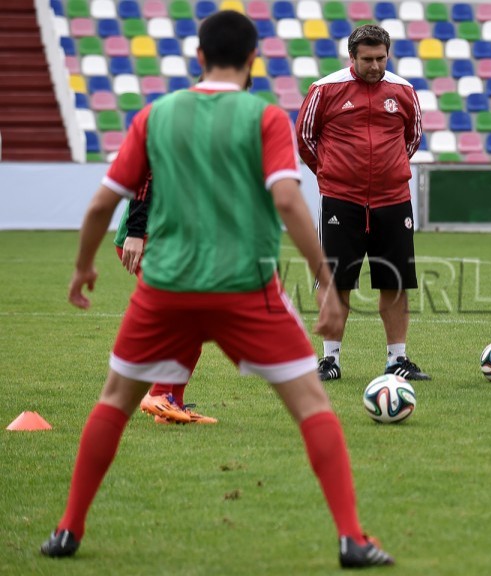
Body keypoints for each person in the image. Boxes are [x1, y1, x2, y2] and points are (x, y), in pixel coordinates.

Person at [43, 11, 393, 567]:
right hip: (244, 288)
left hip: (165, 289)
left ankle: (67, 530)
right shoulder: (264, 117)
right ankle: (351, 537)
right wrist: (327, 284)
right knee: (312, 405)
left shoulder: (157, 115)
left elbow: (103, 202)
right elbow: (287, 200)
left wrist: (83, 266)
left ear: (200, 57)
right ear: (253, 60)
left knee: (114, 402)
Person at [296, 24, 428, 382]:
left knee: (395, 282)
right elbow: (305, 138)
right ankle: (330, 360)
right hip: (341, 200)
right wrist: (332, 173)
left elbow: (413, 137)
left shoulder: (403, 91)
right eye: (367, 59)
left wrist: (389, 169)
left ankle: (397, 359)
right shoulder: (325, 89)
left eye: (381, 58)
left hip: (393, 199)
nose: (375, 66)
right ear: (351, 57)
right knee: (336, 281)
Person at [114, 181, 216, 425]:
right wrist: (135, 232)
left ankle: (171, 406)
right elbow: (145, 178)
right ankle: (159, 394)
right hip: (147, 237)